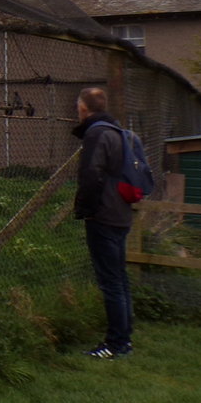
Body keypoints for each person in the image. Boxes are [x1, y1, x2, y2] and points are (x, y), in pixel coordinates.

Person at [72, 86, 134, 358]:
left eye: (78, 107)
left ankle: (115, 344)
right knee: (119, 279)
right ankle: (124, 338)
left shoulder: (96, 134)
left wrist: (85, 209)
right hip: (121, 213)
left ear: (84, 108)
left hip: (104, 215)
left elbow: (92, 175)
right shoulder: (118, 132)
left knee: (110, 282)